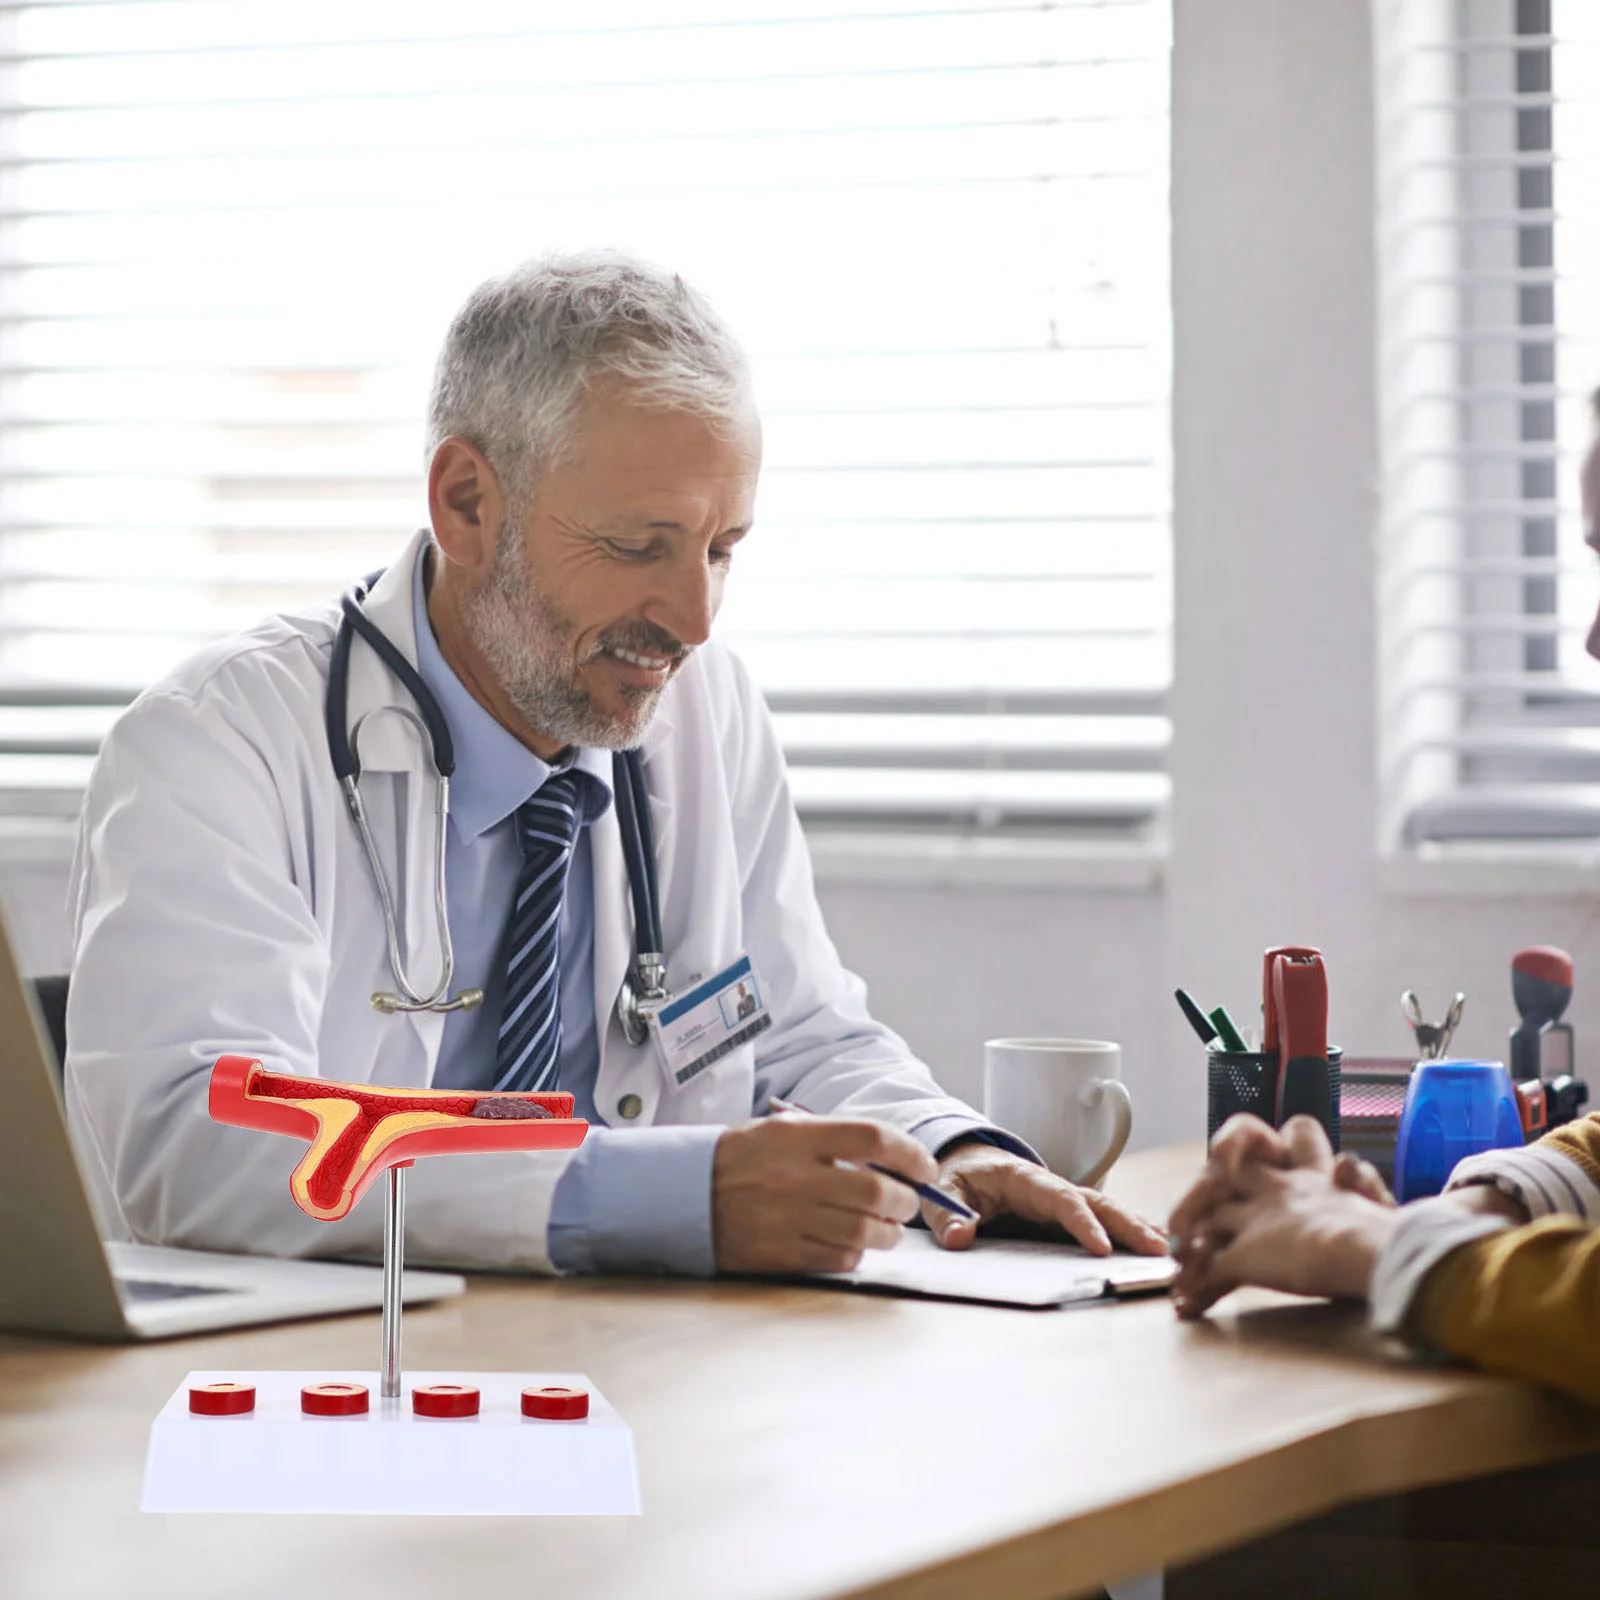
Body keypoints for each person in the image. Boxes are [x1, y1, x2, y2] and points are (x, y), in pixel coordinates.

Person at [65, 251, 1166, 1278]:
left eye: (721, 549)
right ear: (466, 504)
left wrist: (948, 1151)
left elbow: (797, 1028)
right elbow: (192, 1140)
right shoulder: (217, 745)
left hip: (633, 1365)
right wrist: (644, 1190)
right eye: (639, 547)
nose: (692, 617)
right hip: (315, 1384)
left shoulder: (704, 707)